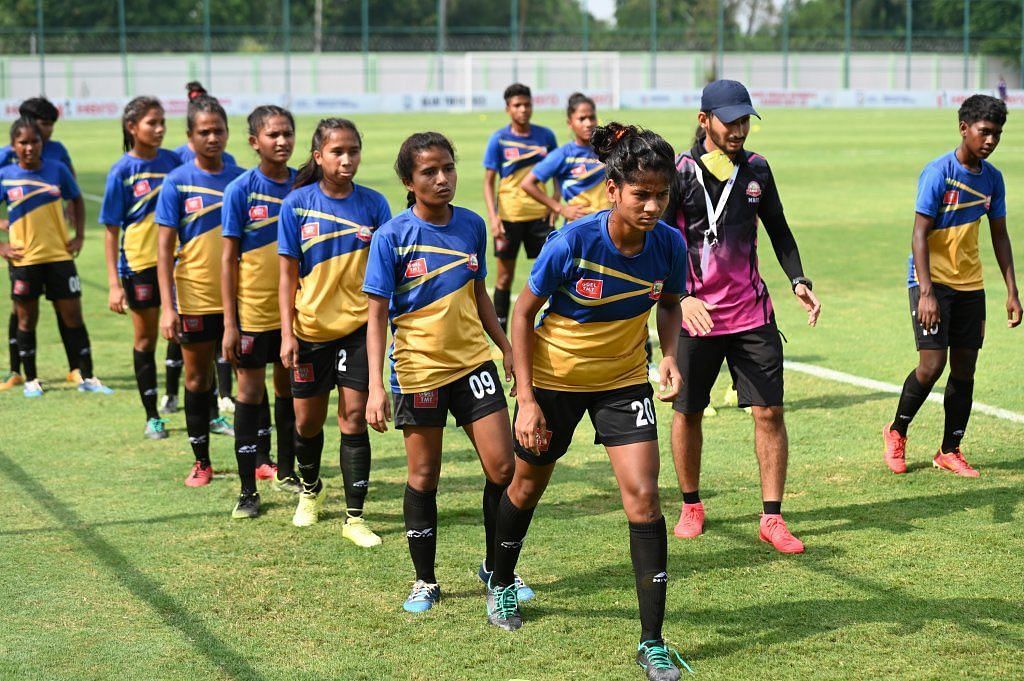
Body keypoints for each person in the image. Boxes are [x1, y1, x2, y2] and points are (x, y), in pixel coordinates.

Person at [489, 122, 692, 681]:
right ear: (613, 190)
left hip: (624, 383)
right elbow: (522, 314)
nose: (652, 205)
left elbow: (670, 304)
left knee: (645, 500)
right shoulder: (573, 241)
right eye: (640, 193)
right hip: (554, 382)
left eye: (661, 194)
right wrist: (525, 399)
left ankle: (652, 642)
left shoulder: (669, 245)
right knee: (527, 484)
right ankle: (501, 583)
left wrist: (669, 356)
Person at [364, 131, 531, 614]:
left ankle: (494, 569)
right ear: (408, 181)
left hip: (473, 363)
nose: (442, 179)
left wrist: (507, 350)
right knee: (424, 475)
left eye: (447, 168)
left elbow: (480, 295)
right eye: (428, 172)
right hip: (417, 372)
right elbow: (376, 316)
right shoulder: (391, 237)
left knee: (504, 467)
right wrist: (375, 385)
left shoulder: (472, 225)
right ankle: (425, 580)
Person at [666, 79, 821, 553]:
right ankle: (692, 504)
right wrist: (681, 297)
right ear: (703, 120)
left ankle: (772, 517)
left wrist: (798, 279)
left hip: (752, 314)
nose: (738, 129)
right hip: (696, 316)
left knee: (769, 411)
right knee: (688, 411)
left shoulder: (758, 169)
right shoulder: (678, 173)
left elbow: (779, 228)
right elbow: (661, 242)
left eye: (744, 120)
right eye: (729, 120)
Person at [883, 94, 1020, 477]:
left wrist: (1011, 290)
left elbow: (1000, 237)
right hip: (932, 282)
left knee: (965, 370)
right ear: (964, 129)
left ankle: (950, 449)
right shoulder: (939, 173)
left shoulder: (993, 180)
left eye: (997, 134)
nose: (991, 140)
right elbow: (918, 235)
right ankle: (897, 431)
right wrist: (925, 291)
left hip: (970, 286)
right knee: (932, 365)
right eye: (985, 132)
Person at [277, 118, 389, 546]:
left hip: (359, 330)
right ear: (318, 156)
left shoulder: (375, 204)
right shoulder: (298, 204)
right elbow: (287, 276)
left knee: (353, 418)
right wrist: (287, 333)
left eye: (353, 151)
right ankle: (309, 491)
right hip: (309, 330)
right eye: (337, 151)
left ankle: (354, 518)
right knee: (306, 422)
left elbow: (387, 273)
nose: (346, 159)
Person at [156, 95, 245, 487]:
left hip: (242, 300)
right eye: (204, 132)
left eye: (219, 130)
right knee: (197, 379)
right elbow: (162, 251)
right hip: (193, 296)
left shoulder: (242, 179)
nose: (212, 137)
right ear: (190, 137)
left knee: (249, 379)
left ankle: (259, 458)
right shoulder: (177, 181)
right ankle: (202, 461)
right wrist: (167, 307)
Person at [221, 105, 299, 518]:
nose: (282, 141)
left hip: (296, 315)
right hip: (252, 314)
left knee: (290, 391)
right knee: (249, 393)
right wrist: (229, 323)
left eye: (287, 133)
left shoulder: (304, 186)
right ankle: (248, 489)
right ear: (254, 142)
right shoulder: (241, 190)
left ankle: (287, 470)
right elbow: (228, 259)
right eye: (273, 135)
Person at [0, 117, 112, 397]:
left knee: (73, 316)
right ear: (14, 145)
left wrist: (80, 236)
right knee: (27, 320)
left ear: (42, 143)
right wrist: (1, 247)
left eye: (34, 141)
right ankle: (31, 379)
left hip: (60, 257)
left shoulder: (57, 169)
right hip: (25, 261)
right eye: (23, 142)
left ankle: (87, 375)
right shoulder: (6, 175)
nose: (29, 147)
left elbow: (76, 199)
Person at [101, 96, 183, 439]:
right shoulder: (122, 170)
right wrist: (113, 283)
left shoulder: (174, 162)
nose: (160, 128)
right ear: (132, 127)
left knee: (187, 334)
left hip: (180, 263)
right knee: (146, 337)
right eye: (153, 123)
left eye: (163, 121)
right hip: (139, 265)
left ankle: (196, 406)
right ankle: (153, 417)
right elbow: (110, 229)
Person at [1, 96, 80, 391]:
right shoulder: (9, 155)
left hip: (52, 241)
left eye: (51, 126)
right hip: (24, 246)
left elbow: (70, 184)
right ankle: (15, 370)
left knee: (65, 305)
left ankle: (76, 368)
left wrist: (71, 207)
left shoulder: (56, 151)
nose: (49, 132)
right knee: (20, 309)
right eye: (45, 125)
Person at [482, 83, 558, 332]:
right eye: (517, 105)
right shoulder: (499, 139)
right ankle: (500, 329)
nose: (523, 109)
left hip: (539, 217)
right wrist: (494, 218)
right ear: (507, 109)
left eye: (527, 104)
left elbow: (557, 171)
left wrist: (555, 202)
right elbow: (488, 181)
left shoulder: (546, 136)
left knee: (549, 273)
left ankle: (548, 324)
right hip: (510, 216)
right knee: (504, 277)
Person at [520, 91, 610, 221]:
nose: (588, 123)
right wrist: (560, 208)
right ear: (570, 123)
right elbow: (527, 183)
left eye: (592, 117)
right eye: (582, 119)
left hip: (609, 226)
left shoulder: (608, 150)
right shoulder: (563, 155)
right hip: (579, 228)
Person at [175, 82, 238, 168]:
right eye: (204, 132)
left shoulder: (228, 160)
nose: (213, 139)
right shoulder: (176, 158)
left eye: (218, 131)